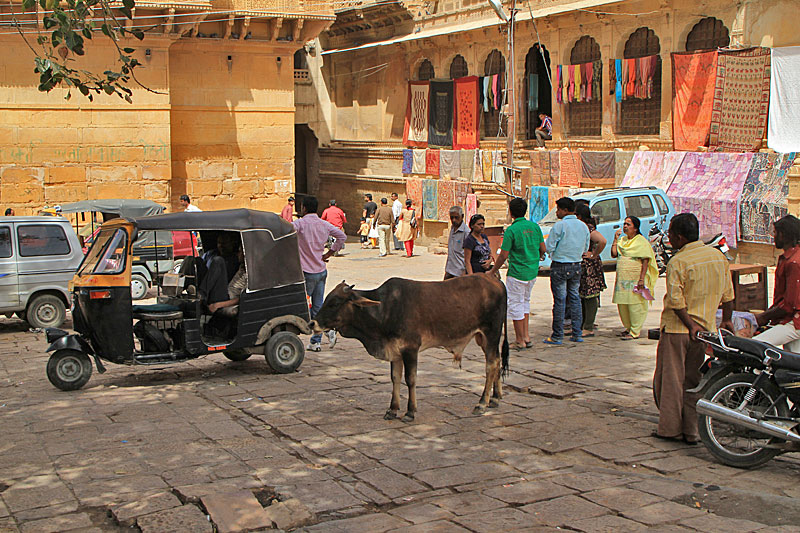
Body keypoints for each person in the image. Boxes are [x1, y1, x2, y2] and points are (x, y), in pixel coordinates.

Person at [654, 213, 735, 444]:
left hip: (679, 329)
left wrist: (690, 325)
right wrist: (726, 320)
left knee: (671, 380)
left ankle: (670, 429)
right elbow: (728, 295)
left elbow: (676, 301)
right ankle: (691, 430)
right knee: (693, 381)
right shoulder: (717, 257)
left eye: (670, 234)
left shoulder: (678, 261)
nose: (669, 239)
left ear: (679, 237)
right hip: (705, 330)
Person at [487, 199, 545, 350]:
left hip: (517, 272)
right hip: (532, 271)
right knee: (525, 302)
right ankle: (526, 336)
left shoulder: (512, 230)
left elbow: (503, 255)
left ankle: (520, 339)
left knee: (516, 305)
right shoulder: (534, 227)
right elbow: (543, 248)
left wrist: (493, 271)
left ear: (511, 212)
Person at [293, 196, 346, 352]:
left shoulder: (300, 224)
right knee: (317, 306)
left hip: (307, 271)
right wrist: (329, 253)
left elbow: (285, 231)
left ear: (303, 208)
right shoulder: (323, 225)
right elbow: (342, 236)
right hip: (321, 270)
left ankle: (325, 331)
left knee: (303, 305)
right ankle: (317, 340)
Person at [544, 197, 590, 345]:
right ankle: (577, 333)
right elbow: (585, 247)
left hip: (560, 265)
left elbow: (549, 246)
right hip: (576, 265)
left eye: (558, 210)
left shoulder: (560, 226)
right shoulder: (583, 226)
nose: (557, 213)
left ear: (564, 210)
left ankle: (558, 334)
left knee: (560, 300)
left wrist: (554, 252)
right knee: (575, 299)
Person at [753, 215, 800, 351]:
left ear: (784, 235)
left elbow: (789, 305)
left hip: (795, 321)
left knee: (754, 346)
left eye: (776, 233)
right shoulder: (788, 259)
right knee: (793, 361)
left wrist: (763, 317)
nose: (774, 237)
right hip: (791, 319)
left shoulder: (794, 262)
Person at [611, 216, 658, 340]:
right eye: (624, 224)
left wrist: (642, 279)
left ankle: (635, 331)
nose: (625, 226)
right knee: (623, 304)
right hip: (623, 279)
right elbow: (614, 254)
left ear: (636, 228)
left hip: (635, 278)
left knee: (635, 304)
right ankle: (628, 327)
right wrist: (615, 239)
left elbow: (646, 260)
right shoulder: (623, 241)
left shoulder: (641, 242)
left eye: (628, 224)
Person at [576, 204, 607, 337]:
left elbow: (602, 241)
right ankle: (583, 324)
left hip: (589, 266)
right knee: (583, 295)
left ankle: (588, 326)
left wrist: (593, 254)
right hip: (583, 266)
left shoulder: (589, 229)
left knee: (590, 295)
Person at [208, 246, 247, 317]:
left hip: (228, 298)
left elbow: (243, 298)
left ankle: (202, 294)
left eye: (240, 252)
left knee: (218, 260)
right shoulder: (241, 267)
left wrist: (218, 305)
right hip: (225, 292)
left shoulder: (250, 274)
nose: (237, 254)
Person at [444, 206, 468, 279]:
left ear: (462, 216)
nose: (454, 220)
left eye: (456, 217)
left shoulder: (466, 232)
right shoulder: (452, 228)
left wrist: (465, 271)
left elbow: (468, 254)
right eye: (452, 218)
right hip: (449, 269)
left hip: (459, 272)